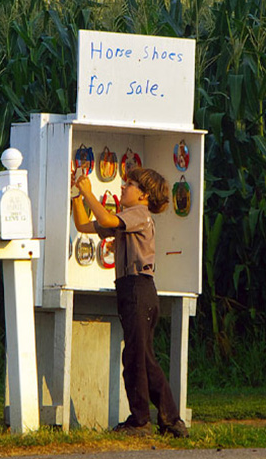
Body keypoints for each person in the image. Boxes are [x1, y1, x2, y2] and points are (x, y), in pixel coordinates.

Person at [72, 167, 189, 438]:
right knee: (141, 357)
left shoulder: (139, 214)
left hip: (139, 289)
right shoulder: (129, 217)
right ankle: (169, 421)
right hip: (130, 290)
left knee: (137, 357)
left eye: (130, 184)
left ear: (144, 195)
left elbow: (105, 218)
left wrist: (89, 191)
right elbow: (83, 225)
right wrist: (78, 196)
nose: (123, 186)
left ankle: (141, 422)